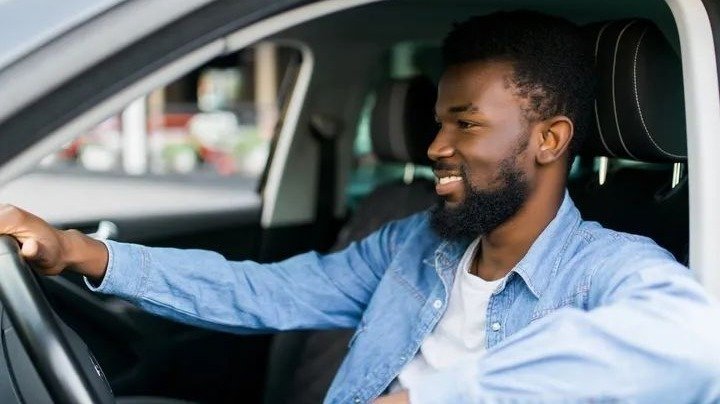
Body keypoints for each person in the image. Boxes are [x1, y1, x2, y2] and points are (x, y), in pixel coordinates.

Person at [2, 11, 720, 404]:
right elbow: (266, 292)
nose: (434, 147)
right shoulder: (414, 241)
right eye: (436, 122)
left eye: (465, 124)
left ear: (549, 139)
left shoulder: (609, 269)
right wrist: (78, 251)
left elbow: (693, 342)